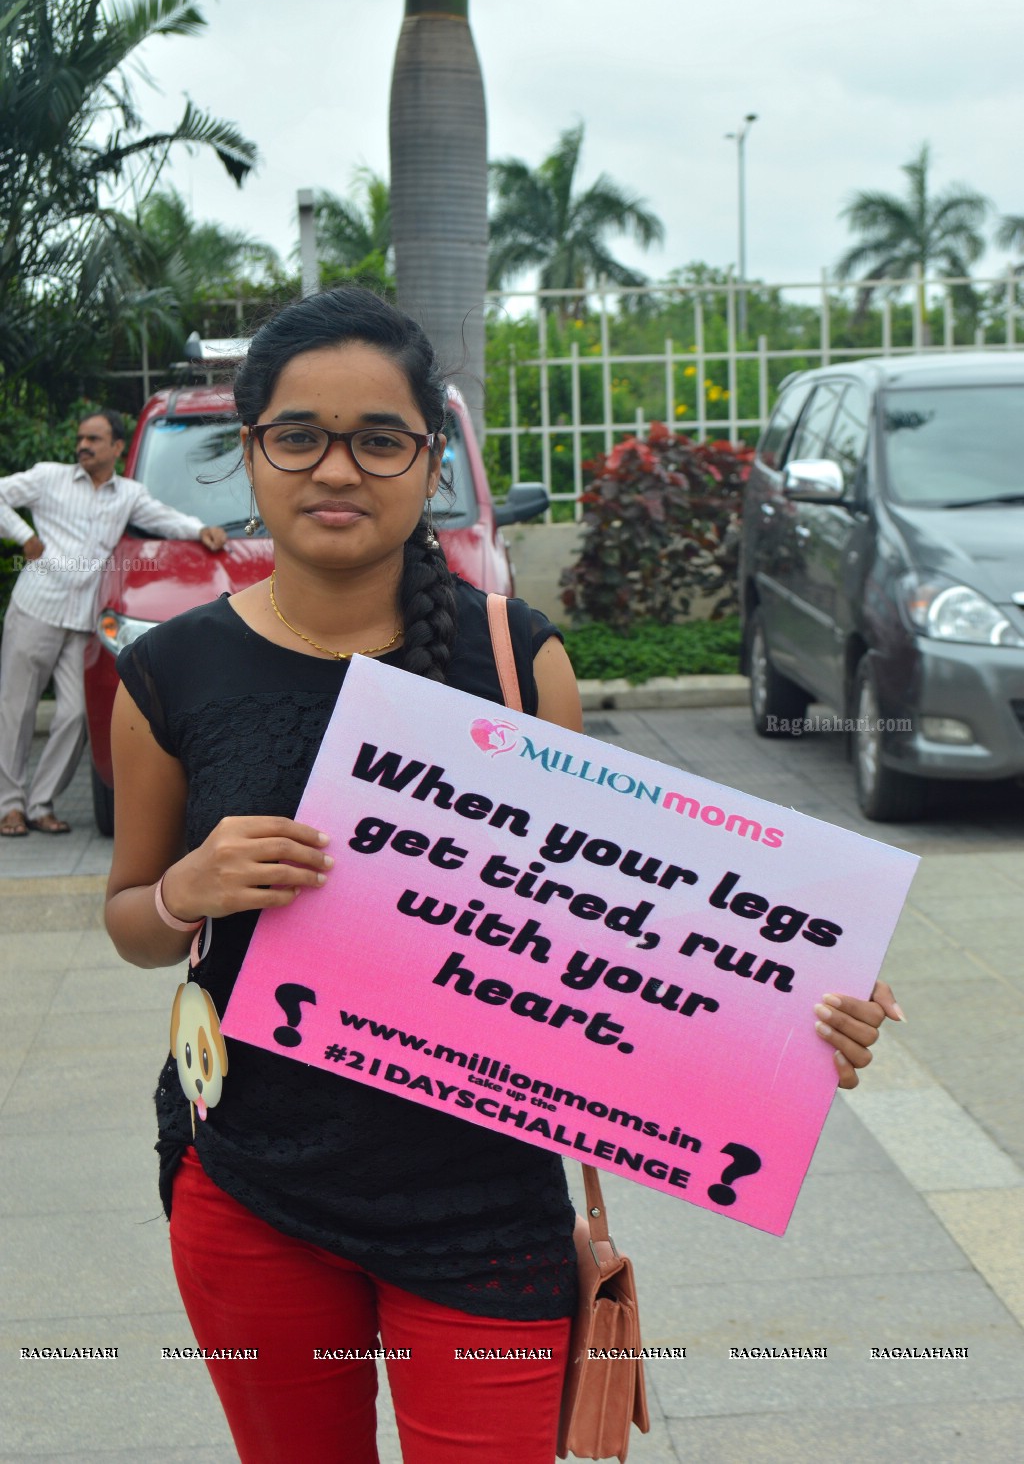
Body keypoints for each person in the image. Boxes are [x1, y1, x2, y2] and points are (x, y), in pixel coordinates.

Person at [104, 287, 904, 1464]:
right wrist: (186, 890)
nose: (338, 468)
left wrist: (797, 1008)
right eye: (299, 435)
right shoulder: (171, 671)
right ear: (252, 454)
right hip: (250, 1183)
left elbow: (617, 921)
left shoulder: (517, 659)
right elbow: (129, 919)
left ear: (429, 460)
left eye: (380, 438)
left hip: (483, 1203)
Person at [0, 409, 227, 836]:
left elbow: (164, 517)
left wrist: (200, 530)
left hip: (80, 621)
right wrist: (22, 534)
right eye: (81, 437)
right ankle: (9, 807)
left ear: (117, 448)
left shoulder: (128, 494)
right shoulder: (49, 477)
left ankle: (41, 804)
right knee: (16, 711)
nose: (83, 445)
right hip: (36, 609)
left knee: (73, 715)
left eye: (94, 439)